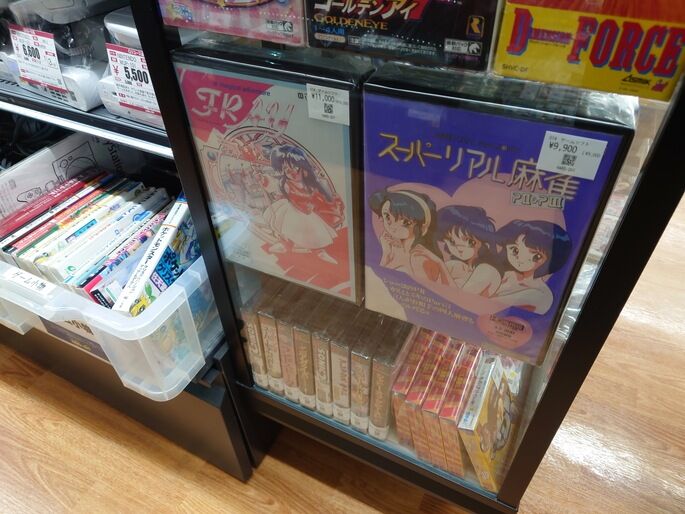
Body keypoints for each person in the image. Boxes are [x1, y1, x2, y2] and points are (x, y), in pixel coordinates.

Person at [262, 145, 342, 264]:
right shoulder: (286, 184)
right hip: (293, 210)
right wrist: (263, 181)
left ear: (302, 166)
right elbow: (273, 187)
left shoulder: (311, 183)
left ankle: (319, 251)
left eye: (295, 167)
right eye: (287, 170)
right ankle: (285, 245)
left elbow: (321, 198)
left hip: (308, 212)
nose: (293, 172)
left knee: (313, 232)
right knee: (290, 229)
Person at [369, 189, 450, 284]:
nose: (393, 226)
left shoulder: (419, 258)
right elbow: (378, 282)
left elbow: (423, 290)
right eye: (387, 217)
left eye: (406, 222)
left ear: (421, 227)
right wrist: (386, 253)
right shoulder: (393, 250)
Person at [493, 219, 572, 314]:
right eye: (515, 250)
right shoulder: (503, 275)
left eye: (536, 256)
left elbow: (493, 303)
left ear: (550, 261)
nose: (521, 259)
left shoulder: (541, 294)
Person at [436, 205, 501, 296]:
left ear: (485, 244)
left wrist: (440, 265)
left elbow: (459, 297)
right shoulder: (455, 265)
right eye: (452, 241)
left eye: (470, 242)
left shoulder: (487, 270)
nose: (459, 247)